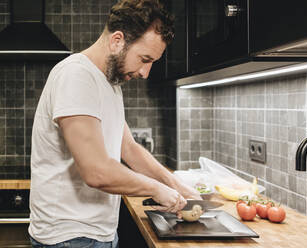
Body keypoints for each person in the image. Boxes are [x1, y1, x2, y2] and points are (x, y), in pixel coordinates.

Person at [28, 0, 201, 247]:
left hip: (96, 233)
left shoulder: (110, 83)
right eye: (144, 59)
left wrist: (176, 185)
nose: (145, 73)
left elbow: (128, 149)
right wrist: (156, 189)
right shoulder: (77, 76)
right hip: (69, 237)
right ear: (117, 40)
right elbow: (96, 170)